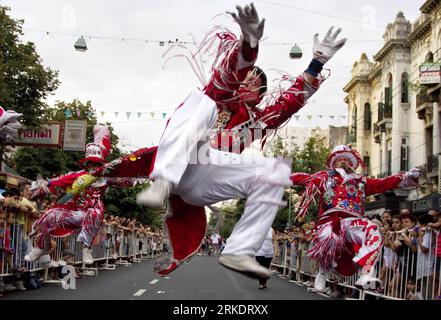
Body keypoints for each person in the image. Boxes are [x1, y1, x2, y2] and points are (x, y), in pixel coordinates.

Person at [126, 3, 346, 280]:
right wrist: (249, 41)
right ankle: (162, 181)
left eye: (257, 83)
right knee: (201, 102)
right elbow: (231, 70)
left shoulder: (256, 122)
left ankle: (239, 250)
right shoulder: (217, 94)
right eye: (248, 77)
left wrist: (317, 63)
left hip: (206, 182)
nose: (249, 84)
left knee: (275, 171)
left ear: (261, 94)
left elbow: (290, 102)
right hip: (184, 162)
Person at [290, 144, 420, 291]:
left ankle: (365, 273)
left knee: (374, 232)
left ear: (352, 163)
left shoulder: (361, 181)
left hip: (353, 221)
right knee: (327, 236)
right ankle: (323, 272)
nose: (344, 162)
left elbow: (383, 183)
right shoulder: (324, 178)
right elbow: (303, 178)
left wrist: (405, 177)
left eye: (346, 159)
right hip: (330, 220)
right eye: (340, 159)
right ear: (334, 162)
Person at [24, 125, 138, 265]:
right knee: (50, 214)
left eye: (95, 164)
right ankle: (41, 246)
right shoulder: (78, 176)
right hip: (75, 213)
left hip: (92, 215)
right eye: (89, 163)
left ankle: (86, 249)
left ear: (100, 165)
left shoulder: (106, 177)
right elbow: (57, 183)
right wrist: (39, 190)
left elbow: (126, 181)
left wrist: (135, 171)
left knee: (95, 212)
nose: (92, 167)